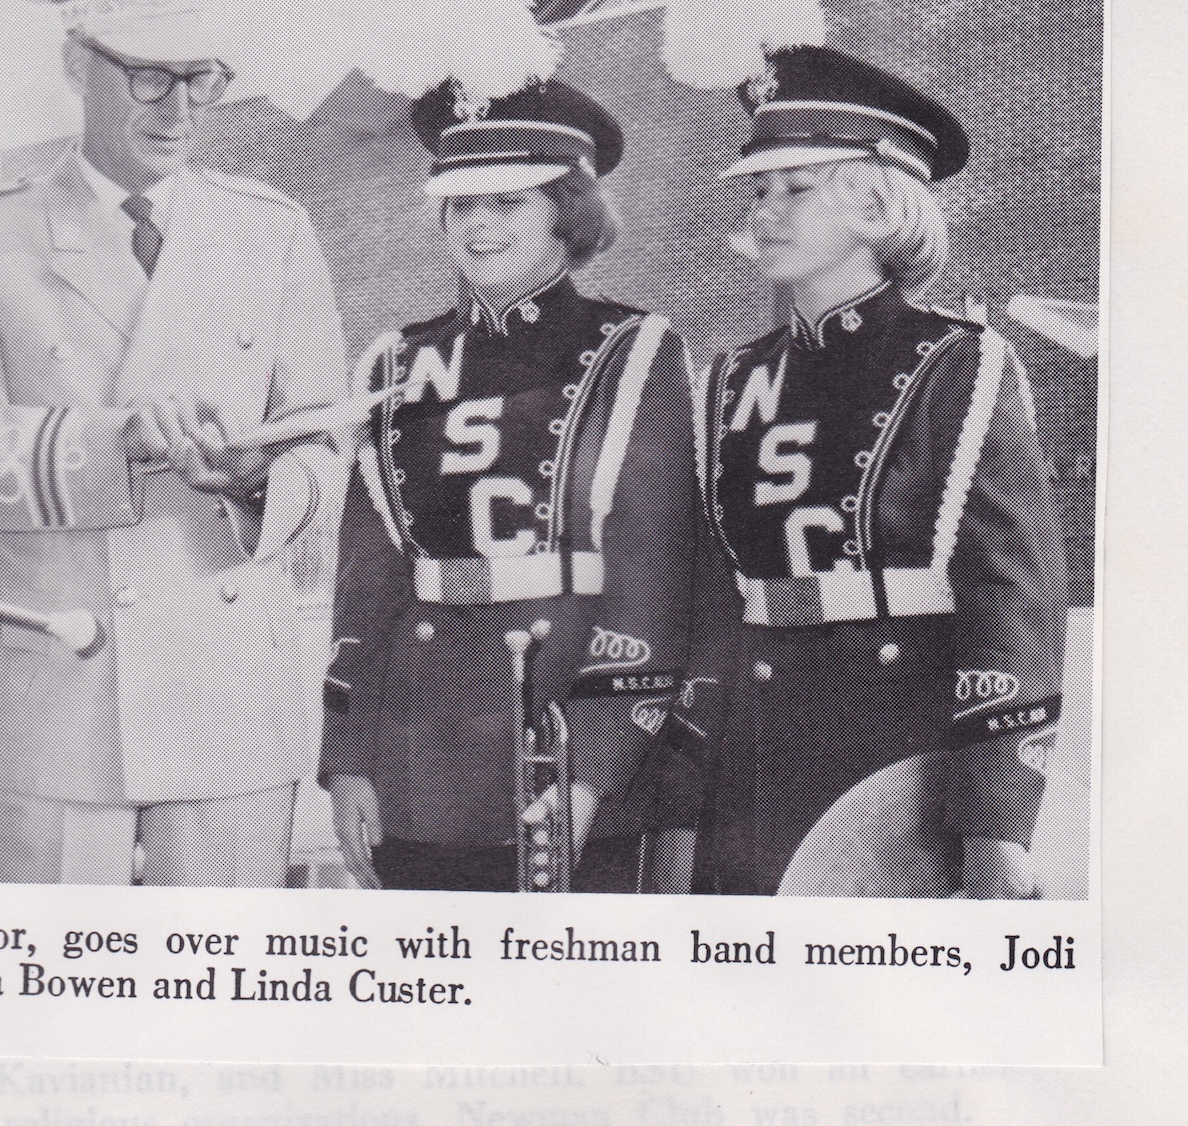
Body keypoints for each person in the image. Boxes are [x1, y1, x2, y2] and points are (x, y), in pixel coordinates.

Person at [0, 0, 349, 888]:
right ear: (77, 63)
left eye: (203, 78)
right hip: (58, 692)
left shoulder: (271, 232)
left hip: (230, 691)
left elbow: (327, 442)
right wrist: (118, 441)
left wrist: (256, 482)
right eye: (149, 78)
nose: (180, 108)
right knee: (58, 998)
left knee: (221, 1000)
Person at [692, 45, 1067, 898]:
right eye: (759, 190)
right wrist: (684, 800)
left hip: (903, 765)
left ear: (877, 203)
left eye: (796, 188)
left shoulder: (958, 365)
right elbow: (711, 606)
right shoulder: (729, 379)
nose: (767, 212)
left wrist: (996, 822)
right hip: (749, 762)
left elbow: (1012, 600)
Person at [318, 78, 703, 893]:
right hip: (416, 760)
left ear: (568, 210)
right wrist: (347, 757)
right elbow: (368, 581)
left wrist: (592, 769)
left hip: (571, 740)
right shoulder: (396, 362)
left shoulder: (633, 350)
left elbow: (652, 582)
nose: (478, 224)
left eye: (507, 202)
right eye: (460, 205)